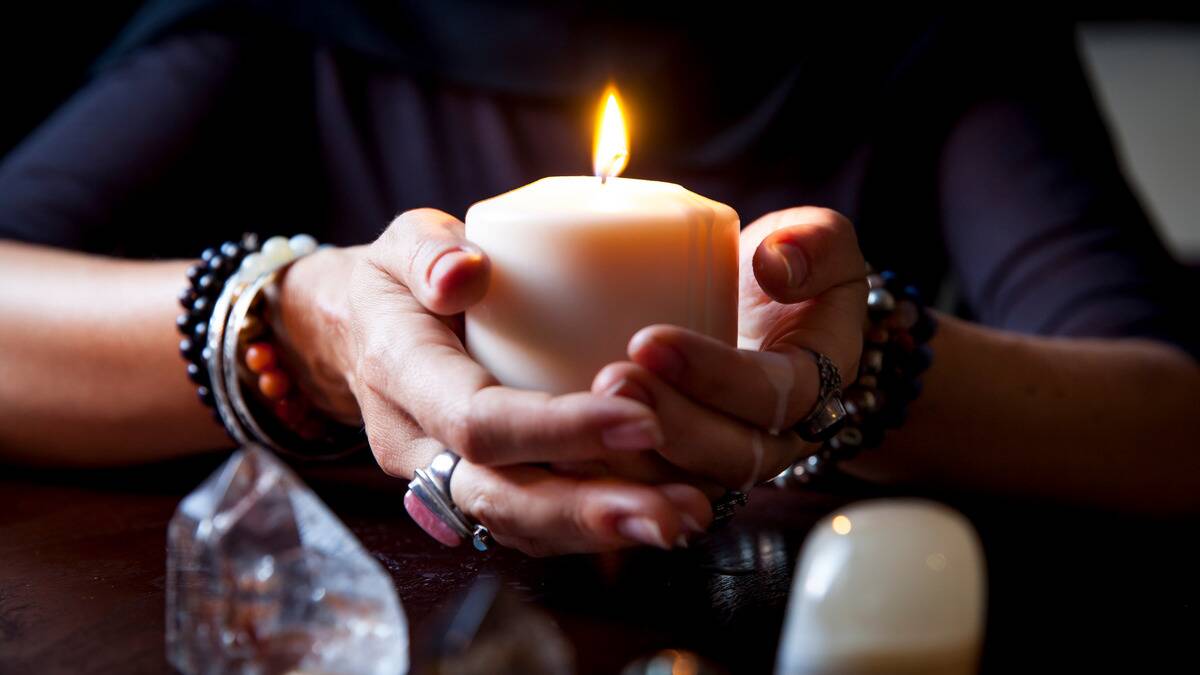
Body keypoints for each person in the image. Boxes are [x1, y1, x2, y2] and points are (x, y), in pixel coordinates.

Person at [1, 3, 1197, 557]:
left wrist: (856, 367)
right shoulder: (294, 25)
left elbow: (1168, 419)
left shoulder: (917, 40)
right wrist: (302, 331)